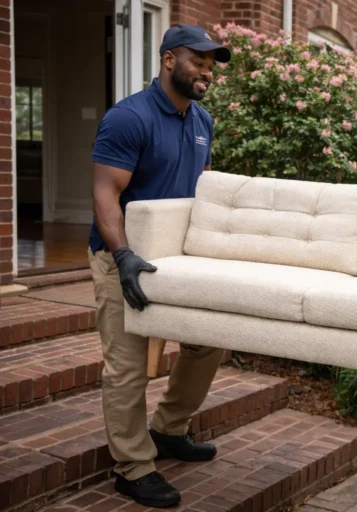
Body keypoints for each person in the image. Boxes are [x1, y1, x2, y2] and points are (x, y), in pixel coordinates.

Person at [89, 25, 231, 508]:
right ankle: (132, 466)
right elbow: (105, 191)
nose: (207, 71)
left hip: (176, 261)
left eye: (213, 64)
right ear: (169, 59)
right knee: (127, 366)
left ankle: (169, 430)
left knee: (208, 341)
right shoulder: (128, 118)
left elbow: (198, 191)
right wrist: (123, 254)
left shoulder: (202, 121)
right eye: (199, 60)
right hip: (122, 258)